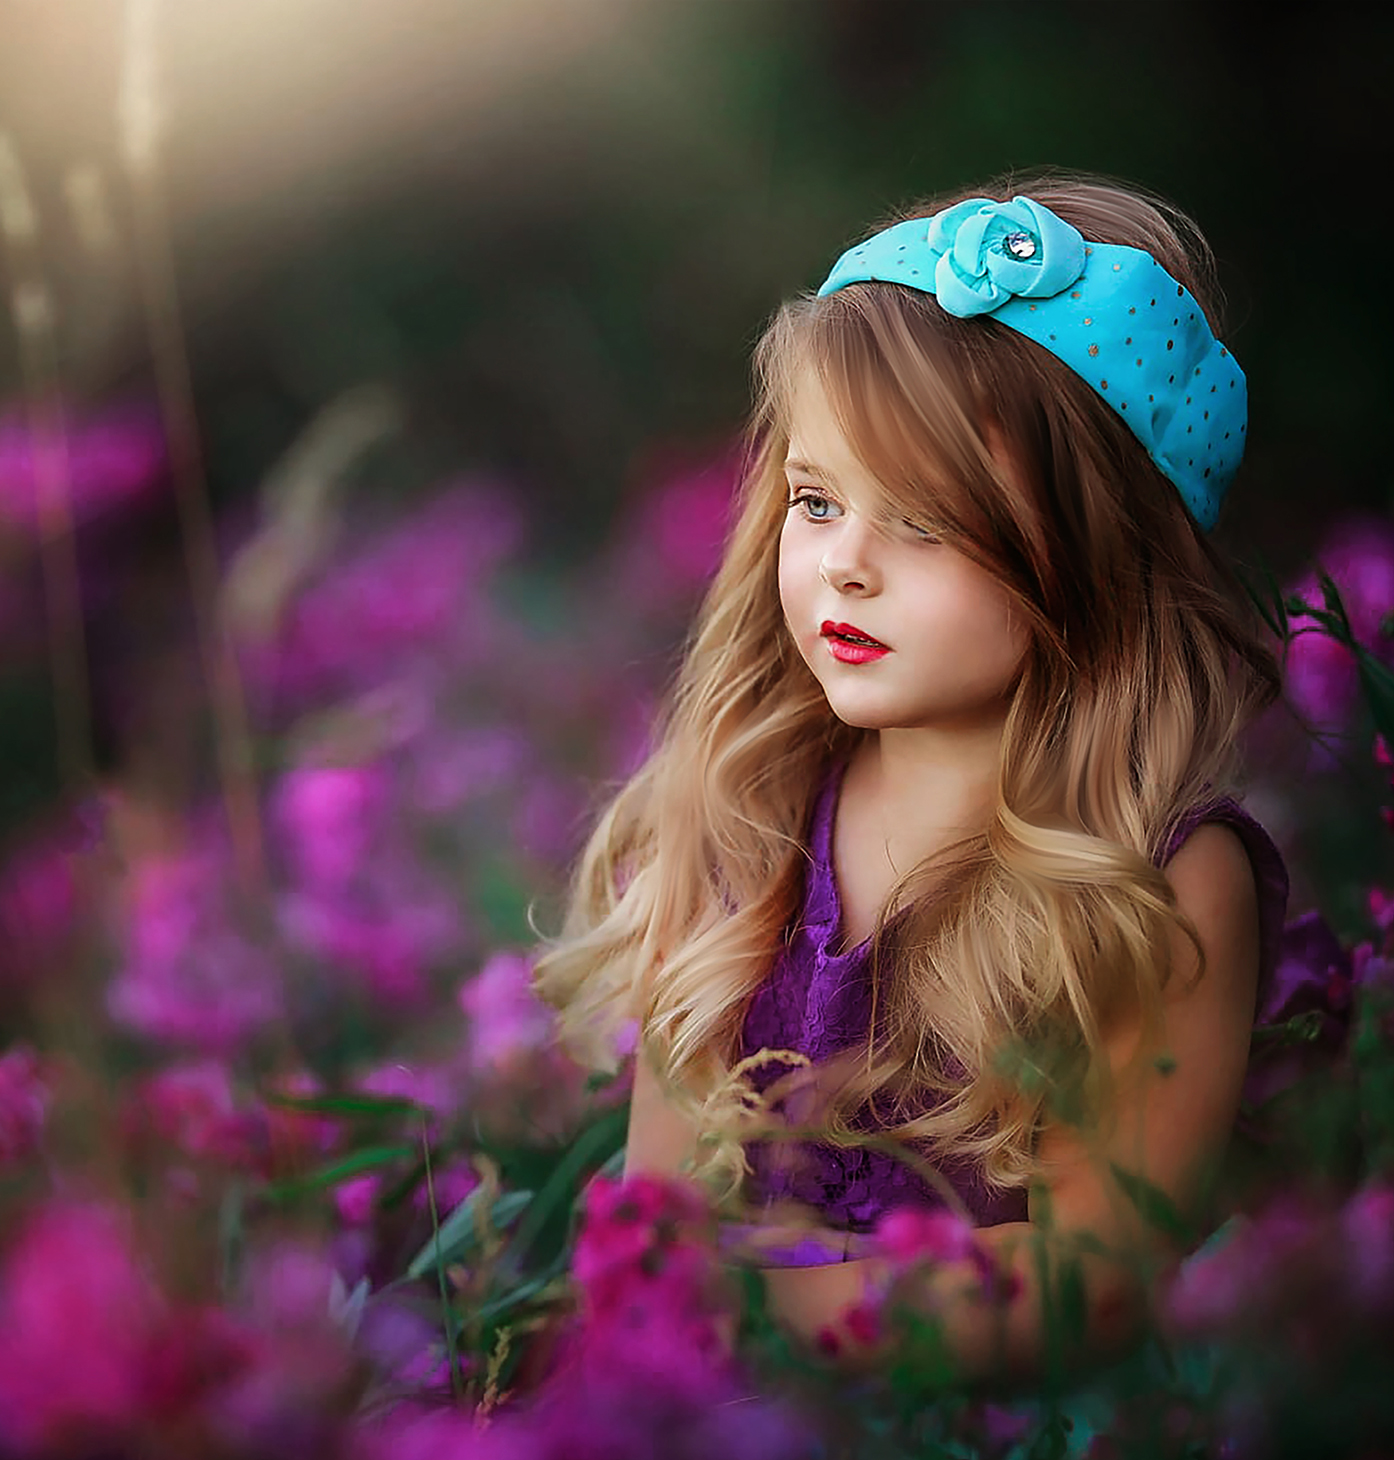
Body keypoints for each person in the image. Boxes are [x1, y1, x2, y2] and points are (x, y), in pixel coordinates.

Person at [530, 170, 1293, 1388]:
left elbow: (1086, 1289)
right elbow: (652, 1239)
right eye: (818, 502)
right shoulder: (745, 821)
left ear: (1096, 554)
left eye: (927, 523)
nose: (845, 567)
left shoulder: (1160, 883)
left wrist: (756, 1300)